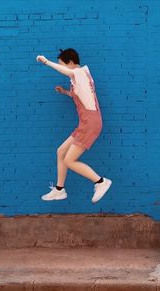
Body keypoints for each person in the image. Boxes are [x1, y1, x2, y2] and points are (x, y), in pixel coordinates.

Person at [36, 48, 112, 203]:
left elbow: (68, 73)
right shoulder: (82, 77)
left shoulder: (79, 72)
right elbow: (81, 95)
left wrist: (45, 61)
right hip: (86, 122)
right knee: (61, 152)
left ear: (70, 62)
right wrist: (65, 92)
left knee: (69, 160)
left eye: (63, 65)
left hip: (90, 123)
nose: (63, 68)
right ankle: (59, 190)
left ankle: (101, 182)